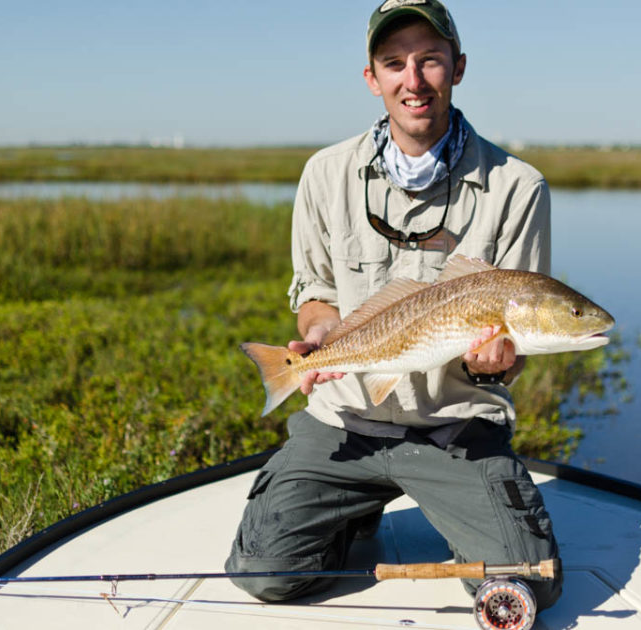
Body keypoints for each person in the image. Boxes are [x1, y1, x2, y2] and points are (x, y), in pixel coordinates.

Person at [226, 0, 562, 612]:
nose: (413, 80)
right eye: (394, 62)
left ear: (457, 68)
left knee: (524, 583)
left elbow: (516, 341)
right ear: (372, 77)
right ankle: (351, 520)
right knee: (264, 574)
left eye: (429, 60)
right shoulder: (325, 173)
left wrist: (497, 364)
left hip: (455, 428)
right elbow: (316, 294)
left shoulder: (518, 186)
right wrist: (322, 337)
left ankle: (412, 505)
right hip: (345, 418)